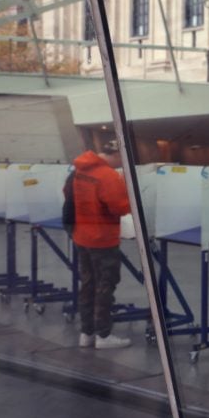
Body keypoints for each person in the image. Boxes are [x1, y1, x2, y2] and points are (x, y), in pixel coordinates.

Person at [72, 140, 132, 349]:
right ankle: (103, 336)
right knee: (105, 285)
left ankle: (86, 333)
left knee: (88, 285)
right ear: (116, 155)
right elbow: (120, 207)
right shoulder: (107, 175)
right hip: (103, 239)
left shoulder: (80, 170)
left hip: (83, 236)